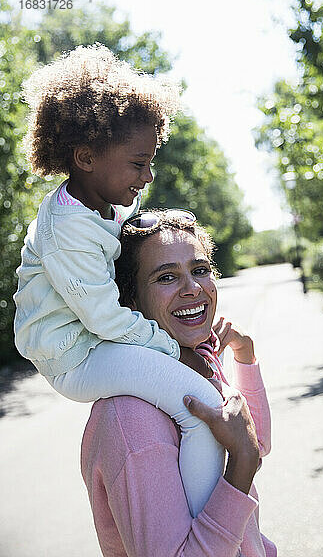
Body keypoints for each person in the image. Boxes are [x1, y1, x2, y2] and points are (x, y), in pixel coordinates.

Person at [13, 43, 227, 517]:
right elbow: (106, 319)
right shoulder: (68, 229)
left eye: (150, 161)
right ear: (86, 157)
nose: (148, 175)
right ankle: (199, 531)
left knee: (198, 401)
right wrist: (177, 350)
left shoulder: (99, 206)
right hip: (77, 355)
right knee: (200, 405)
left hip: (95, 342)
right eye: (137, 163)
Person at [81, 211, 277, 556]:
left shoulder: (193, 359)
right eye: (167, 277)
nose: (193, 288)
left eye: (200, 270)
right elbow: (247, 454)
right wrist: (242, 461)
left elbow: (252, 442)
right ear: (129, 302)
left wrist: (245, 358)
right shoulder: (131, 418)